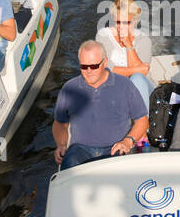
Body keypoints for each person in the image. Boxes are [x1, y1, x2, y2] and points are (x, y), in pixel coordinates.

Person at [52, 42, 149, 170]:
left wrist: (128, 141)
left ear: (105, 63)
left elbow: (142, 120)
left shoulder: (125, 85)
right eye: (84, 66)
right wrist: (61, 145)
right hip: (80, 150)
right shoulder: (69, 88)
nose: (88, 71)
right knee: (68, 173)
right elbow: (60, 123)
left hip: (116, 148)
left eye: (93, 66)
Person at [96, 0, 153, 109]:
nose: (121, 27)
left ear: (135, 21)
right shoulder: (103, 36)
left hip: (142, 90)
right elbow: (106, 71)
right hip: (114, 89)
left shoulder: (144, 40)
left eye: (126, 22)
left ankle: (143, 124)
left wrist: (128, 45)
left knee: (136, 78)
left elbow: (141, 75)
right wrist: (137, 69)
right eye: (118, 22)